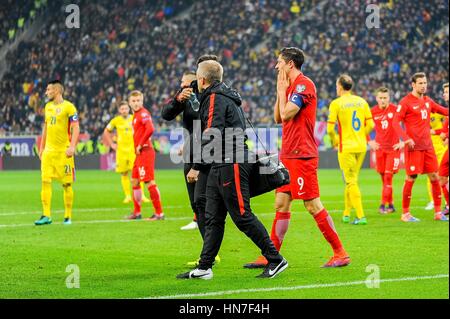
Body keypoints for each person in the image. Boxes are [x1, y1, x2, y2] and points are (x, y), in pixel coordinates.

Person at [177, 60, 287, 280]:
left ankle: (275, 259)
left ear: (202, 80)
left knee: (242, 215)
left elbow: (212, 133)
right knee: (213, 217)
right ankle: (205, 266)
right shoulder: (224, 96)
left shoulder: (215, 98)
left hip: (231, 160)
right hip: (222, 162)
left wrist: (196, 166)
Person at [245, 47, 350, 270]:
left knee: (312, 205)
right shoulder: (289, 86)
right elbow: (277, 117)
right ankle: (270, 256)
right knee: (281, 203)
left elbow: (286, 114)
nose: (276, 66)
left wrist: (282, 91)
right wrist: (279, 90)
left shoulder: (304, 84)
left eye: (279, 62)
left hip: (302, 154)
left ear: (290, 64)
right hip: (288, 153)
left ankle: (340, 253)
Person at [392, 73, 449, 222]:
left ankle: (438, 213)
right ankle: (405, 214)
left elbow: (444, 111)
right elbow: (395, 122)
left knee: (434, 177)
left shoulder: (427, 101)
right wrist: (405, 138)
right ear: (413, 84)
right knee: (411, 177)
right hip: (414, 147)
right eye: (420, 83)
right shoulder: (405, 102)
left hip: (427, 146)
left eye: (425, 82)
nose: (424, 85)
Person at [327, 74, 375, 225]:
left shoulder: (336, 103)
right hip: (361, 146)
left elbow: (329, 129)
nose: (336, 88)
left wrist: (335, 140)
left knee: (350, 181)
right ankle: (347, 213)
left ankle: (360, 216)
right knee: (352, 180)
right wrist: (361, 135)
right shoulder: (362, 101)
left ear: (340, 86)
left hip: (346, 147)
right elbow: (371, 125)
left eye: (336, 85)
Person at [35, 80, 80, 226]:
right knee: (45, 181)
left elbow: (76, 128)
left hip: (63, 152)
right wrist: (41, 148)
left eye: (48, 90)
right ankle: (46, 215)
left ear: (57, 91)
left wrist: (72, 146)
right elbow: (46, 128)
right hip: (48, 152)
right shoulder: (47, 107)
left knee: (66, 184)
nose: (46, 92)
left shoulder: (69, 107)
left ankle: (67, 216)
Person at [162, 71, 199, 230]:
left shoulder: (206, 97)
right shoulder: (183, 97)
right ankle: (198, 219)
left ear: (193, 82)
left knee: (204, 188)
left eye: (184, 82)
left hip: (208, 147)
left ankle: (203, 221)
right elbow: (166, 114)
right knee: (193, 188)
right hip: (192, 147)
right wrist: (177, 100)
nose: (181, 85)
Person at [103, 101, 151, 204]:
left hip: (133, 151)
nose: (124, 110)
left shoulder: (134, 117)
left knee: (138, 173)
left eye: (125, 108)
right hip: (121, 152)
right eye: (122, 109)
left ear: (128, 109)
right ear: (119, 110)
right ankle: (128, 196)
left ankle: (142, 195)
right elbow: (106, 131)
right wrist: (111, 144)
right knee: (124, 173)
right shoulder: (115, 120)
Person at [127, 90, 164, 221]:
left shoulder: (143, 113)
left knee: (149, 181)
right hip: (139, 154)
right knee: (135, 181)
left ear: (142, 101)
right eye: (134, 101)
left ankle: (159, 213)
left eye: (138, 101)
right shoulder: (135, 115)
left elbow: (150, 129)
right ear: (130, 103)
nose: (136, 103)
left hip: (145, 151)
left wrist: (140, 144)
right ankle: (137, 213)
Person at [369, 87, 401, 214]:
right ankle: (391, 204)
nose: (382, 100)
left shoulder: (396, 109)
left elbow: (407, 123)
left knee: (388, 176)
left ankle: (383, 205)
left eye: (385, 98)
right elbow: (364, 127)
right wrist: (369, 141)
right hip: (380, 149)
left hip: (393, 149)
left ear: (389, 98)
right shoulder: (372, 112)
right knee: (384, 178)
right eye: (380, 98)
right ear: (377, 98)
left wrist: (403, 141)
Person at [426, 82, 449, 211]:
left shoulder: (441, 112)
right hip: (432, 146)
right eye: (444, 92)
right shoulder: (425, 113)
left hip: (442, 147)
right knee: (436, 174)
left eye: (446, 92)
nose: (444, 94)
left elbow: (444, 129)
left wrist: (439, 133)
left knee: (441, 175)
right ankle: (436, 201)